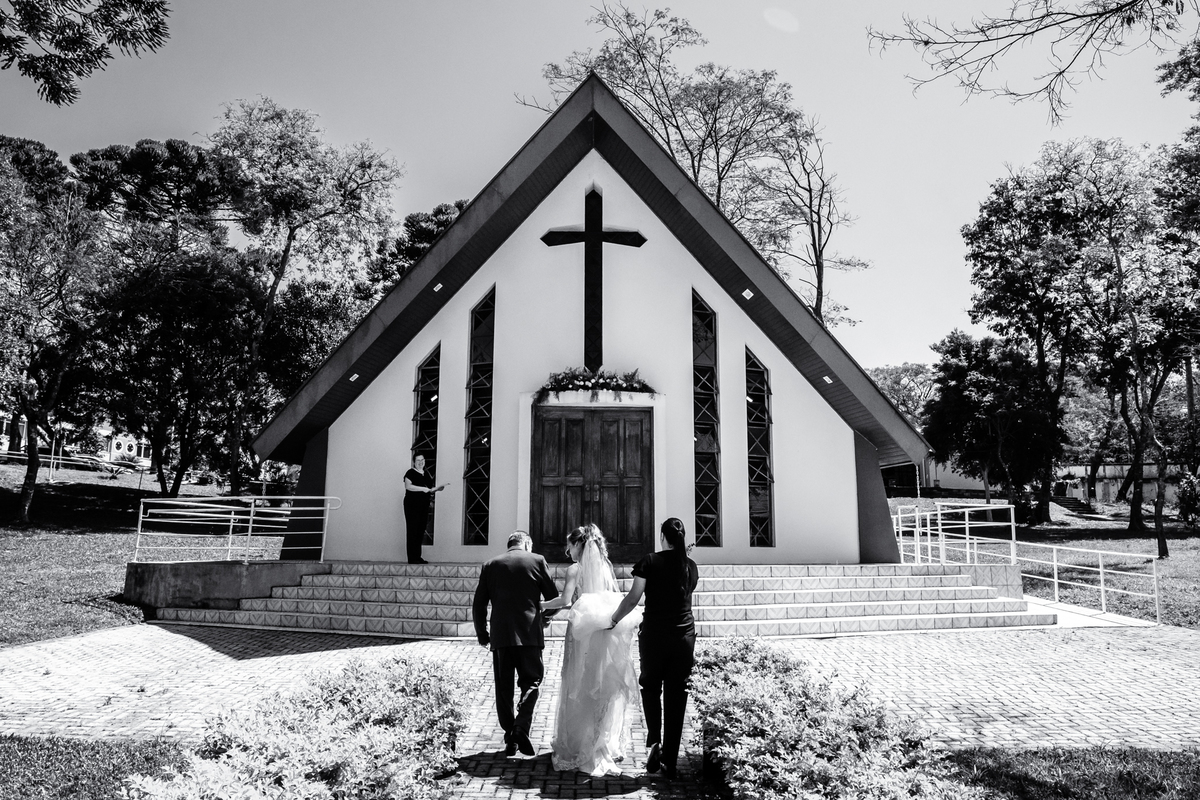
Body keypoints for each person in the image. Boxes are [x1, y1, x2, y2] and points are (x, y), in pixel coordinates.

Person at [542, 524, 642, 775]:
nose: (567, 550)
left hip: (581, 633)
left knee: (578, 683)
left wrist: (541, 604)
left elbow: (565, 601)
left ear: (578, 545)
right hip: (602, 630)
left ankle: (581, 743)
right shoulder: (605, 566)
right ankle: (600, 741)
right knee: (600, 683)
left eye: (569, 545)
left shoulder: (575, 569)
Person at [610, 518, 699, 780]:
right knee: (677, 694)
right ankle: (669, 761)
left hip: (655, 636)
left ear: (663, 537)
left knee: (650, 686)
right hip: (684, 637)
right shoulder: (690, 566)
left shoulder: (649, 561)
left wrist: (614, 619)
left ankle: (654, 741)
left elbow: (634, 598)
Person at [472, 530, 560, 758]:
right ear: (527, 544)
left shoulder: (490, 564)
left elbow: (479, 604)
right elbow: (553, 597)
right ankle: (521, 726)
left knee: (504, 689)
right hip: (529, 634)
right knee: (532, 681)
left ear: (510, 544)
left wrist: (482, 633)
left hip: (501, 636)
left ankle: (510, 735)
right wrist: (545, 617)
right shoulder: (537, 560)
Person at [403, 453, 446, 564]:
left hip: (423, 506)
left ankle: (418, 556)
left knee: (420, 530)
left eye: (422, 460)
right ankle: (412, 558)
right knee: (413, 530)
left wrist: (436, 489)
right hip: (412, 505)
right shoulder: (410, 473)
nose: (420, 462)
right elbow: (408, 486)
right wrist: (423, 489)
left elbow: (429, 489)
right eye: (418, 460)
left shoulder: (426, 475)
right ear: (414, 462)